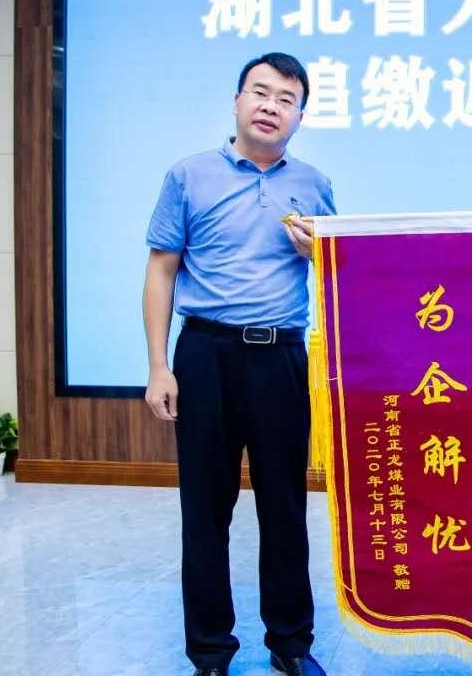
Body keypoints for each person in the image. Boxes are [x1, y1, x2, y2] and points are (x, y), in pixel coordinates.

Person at [142, 52, 334, 676]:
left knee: (285, 506)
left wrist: (318, 254)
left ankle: (291, 643)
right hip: (205, 353)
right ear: (236, 101)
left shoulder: (314, 184)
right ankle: (209, 651)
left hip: (280, 356)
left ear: (300, 117)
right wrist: (158, 366)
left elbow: (338, 272)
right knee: (205, 508)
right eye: (260, 92)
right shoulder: (188, 175)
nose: (270, 106)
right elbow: (161, 271)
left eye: (286, 99)